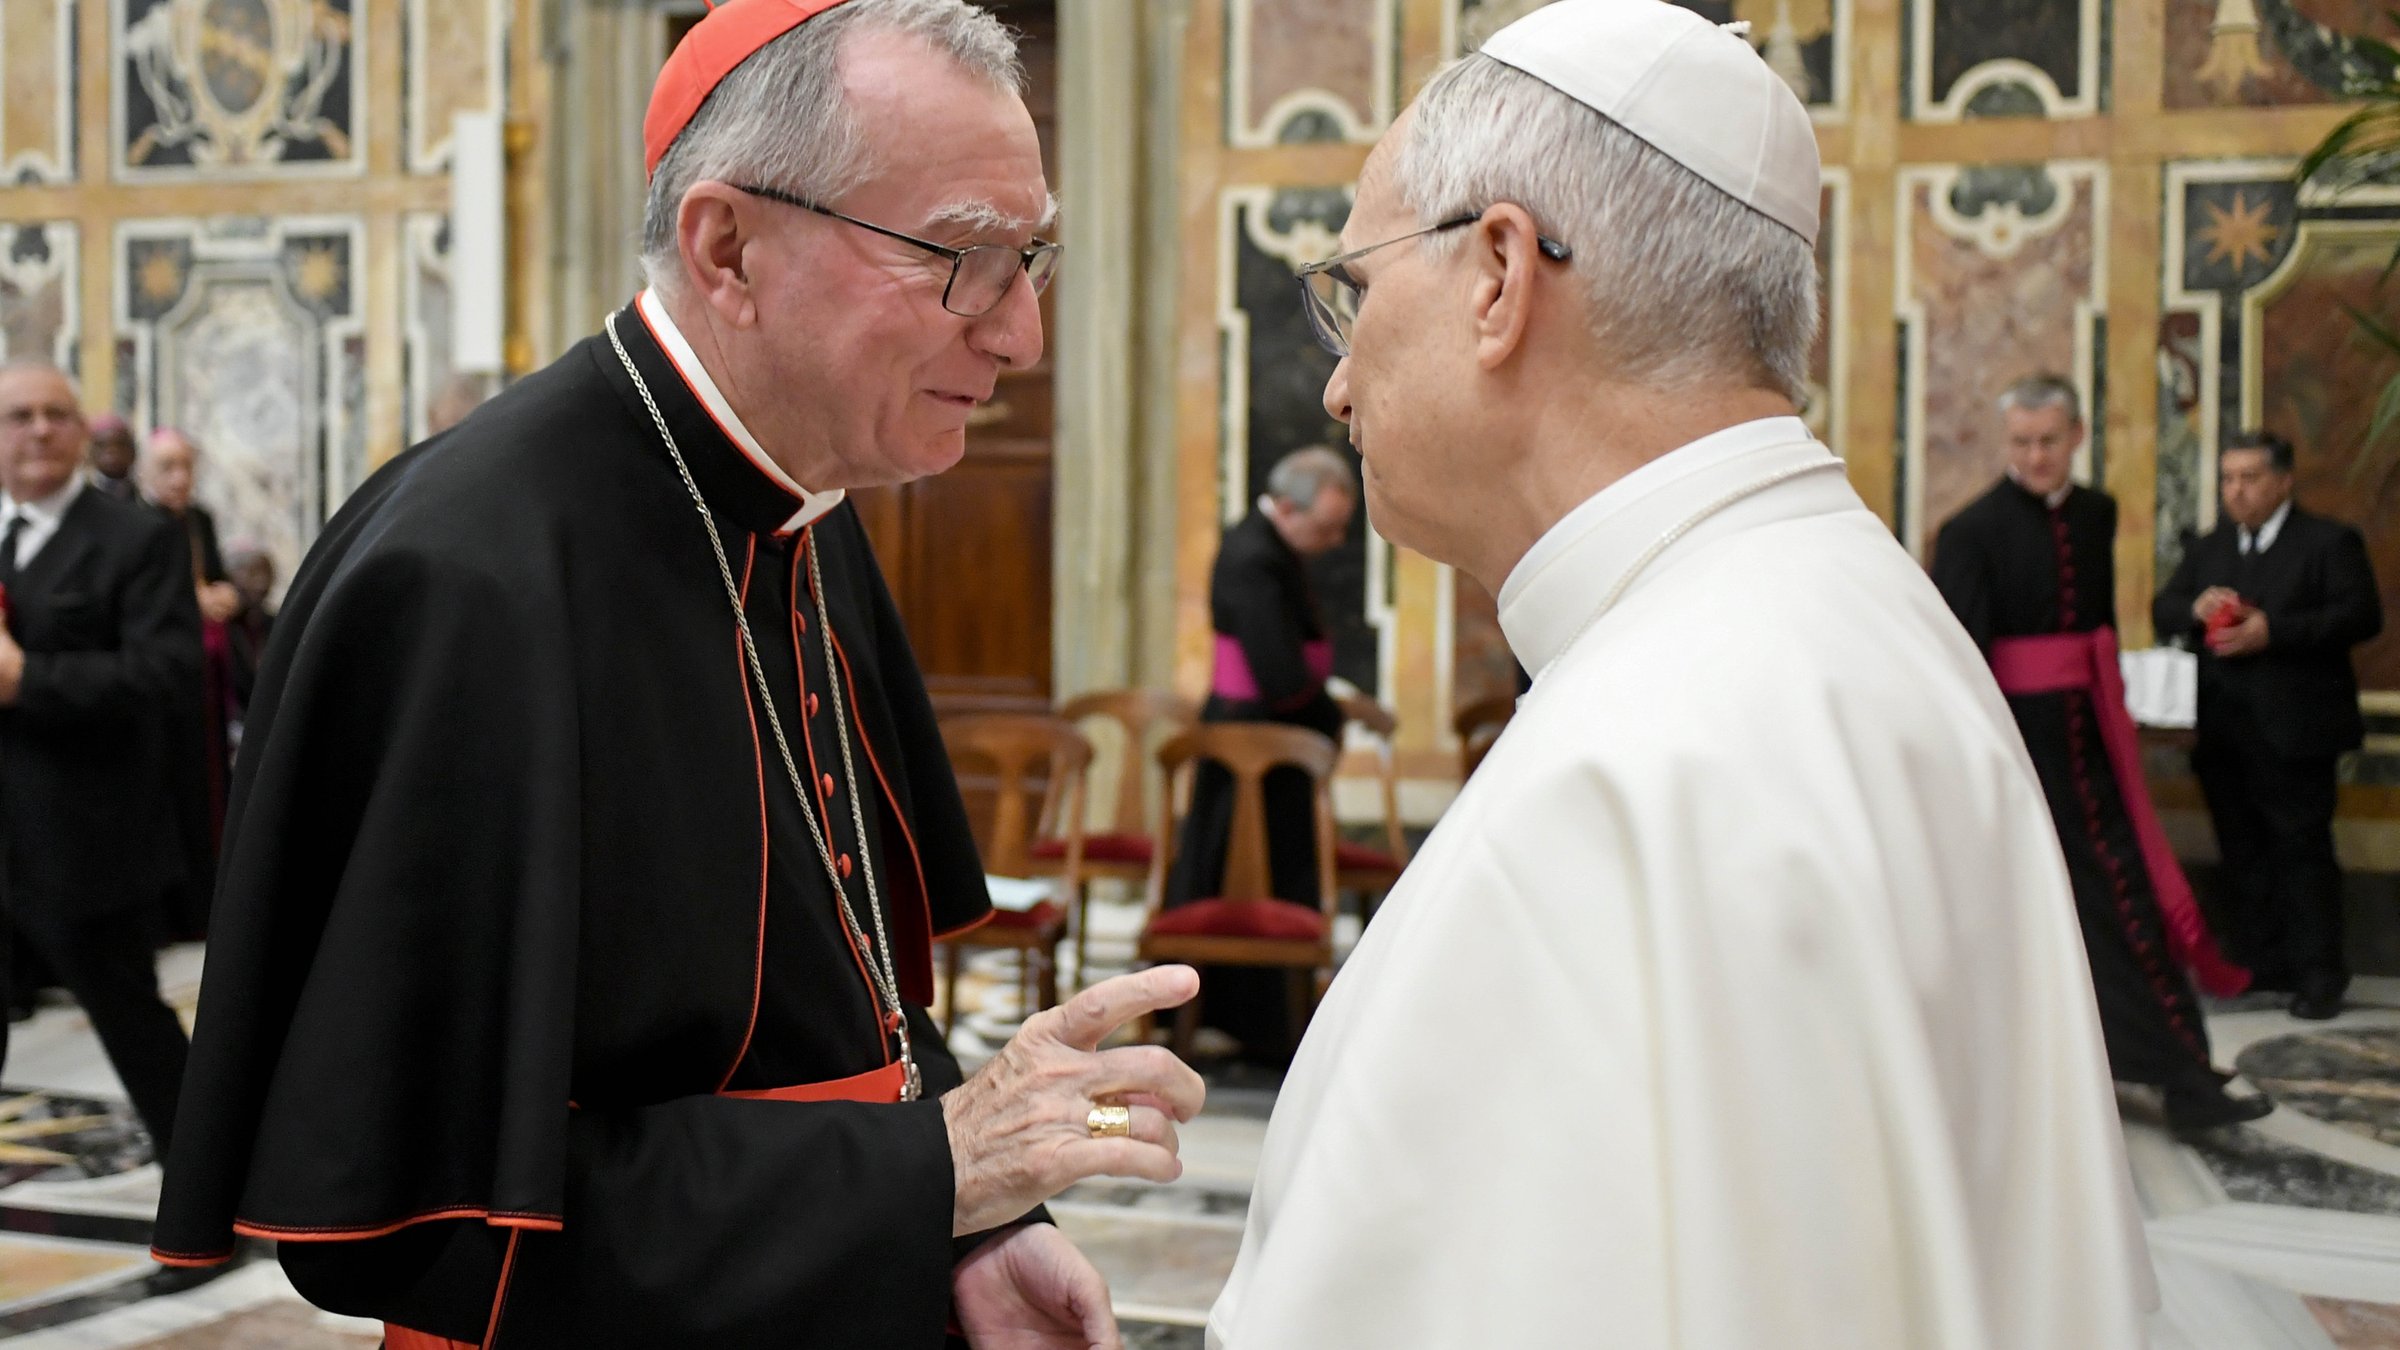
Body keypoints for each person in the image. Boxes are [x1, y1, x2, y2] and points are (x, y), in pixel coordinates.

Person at [152, 3, 1204, 1346]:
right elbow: (407, 1224)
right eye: (963, 259)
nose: (1020, 336)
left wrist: (984, 1227)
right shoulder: (471, 577)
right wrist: (933, 1172)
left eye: (1029, 259)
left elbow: (861, 1014)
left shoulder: (808, 508)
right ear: (728, 250)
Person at [1207, 4, 2151, 1346]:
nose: (1339, 386)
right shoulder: (1864, 610)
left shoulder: (1631, 770)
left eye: (1354, 294)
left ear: (1498, 276)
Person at [1932, 374, 2266, 1133]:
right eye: (2022, 442)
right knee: (2070, 907)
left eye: (2049, 441)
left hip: (2091, 742)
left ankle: (2180, 1072)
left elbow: (2098, 627)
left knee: (2122, 898)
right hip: (2023, 753)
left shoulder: (2096, 513)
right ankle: (2145, 1073)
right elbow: (1960, 661)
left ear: (2078, 436)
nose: (2035, 456)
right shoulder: (1970, 531)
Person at [0, 360, 197, 1157]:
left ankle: (205, 1193)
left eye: (56, 414)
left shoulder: (137, 538)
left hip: (87, 842)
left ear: (82, 431)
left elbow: (167, 673)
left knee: (134, 1027)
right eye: (19, 416)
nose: (39, 430)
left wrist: (29, 680)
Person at [2154, 430, 2384, 1019]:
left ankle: (2319, 975)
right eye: (2228, 479)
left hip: (2297, 731)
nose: (2236, 491)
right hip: (2222, 731)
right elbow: (2164, 608)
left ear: (2283, 481)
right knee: (2242, 851)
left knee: (2301, 851)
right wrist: (2193, 608)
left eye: (2250, 478)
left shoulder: (2327, 542)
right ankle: (2262, 963)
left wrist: (2273, 632)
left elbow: (2361, 615)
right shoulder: (2210, 548)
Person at [1162, 445, 1357, 1065]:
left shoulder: (1272, 546)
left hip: (1265, 736)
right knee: (1248, 871)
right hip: (1255, 738)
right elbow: (1279, 674)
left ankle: (1265, 1015)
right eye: (1327, 527)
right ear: (1290, 509)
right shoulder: (1254, 556)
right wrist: (1326, 714)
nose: (1335, 541)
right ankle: (1251, 1019)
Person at [141, 427, 238, 939]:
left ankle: (205, 905)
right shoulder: (136, 524)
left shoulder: (198, 519)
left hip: (204, 678)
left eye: (186, 467)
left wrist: (224, 594)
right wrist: (193, 601)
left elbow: (214, 576)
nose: (179, 478)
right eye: (167, 468)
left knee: (207, 788)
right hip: (158, 683)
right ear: (146, 472)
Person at [85, 414, 140, 502]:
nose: (112, 451)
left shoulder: (143, 494)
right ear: (91, 453)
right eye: (102, 445)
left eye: (120, 445)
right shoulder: (82, 494)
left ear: (132, 451)